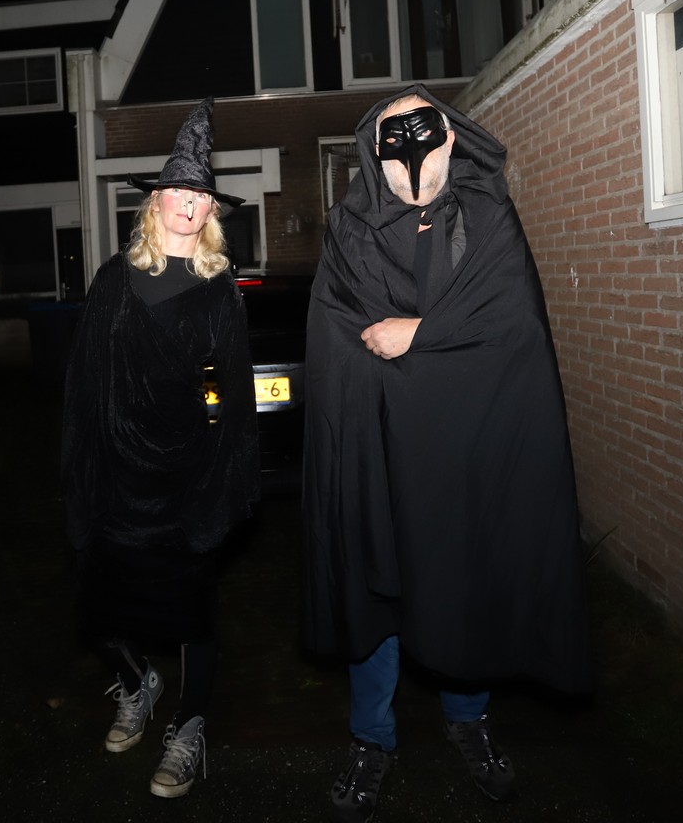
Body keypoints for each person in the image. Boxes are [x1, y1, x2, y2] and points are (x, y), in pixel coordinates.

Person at [301, 84, 593, 822]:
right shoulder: (351, 230)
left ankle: (469, 721)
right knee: (378, 585)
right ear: (374, 153)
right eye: (391, 136)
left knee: (465, 579)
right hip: (379, 446)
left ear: (452, 139)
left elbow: (514, 327)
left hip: (465, 447)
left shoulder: (487, 219)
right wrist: (399, 349)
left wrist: (421, 337)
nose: (409, 150)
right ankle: (371, 739)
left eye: (421, 130)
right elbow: (338, 337)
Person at [61, 96, 261, 799]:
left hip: (183, 479)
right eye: (178, 191)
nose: (189, 202)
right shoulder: (112, 281)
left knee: (189, 610)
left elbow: (232, 396)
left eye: (200, 195)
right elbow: (84, 380)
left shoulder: (218, 292)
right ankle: (137, 683)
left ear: (210, 212)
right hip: (117, 475)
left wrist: (221, 473)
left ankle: (190, 720)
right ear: (155, 202)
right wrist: (82, 462)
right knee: (100, 605)